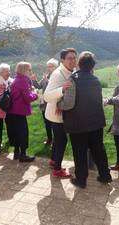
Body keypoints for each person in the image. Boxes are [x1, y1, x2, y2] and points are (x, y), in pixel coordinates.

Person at [62, 51, 112, 188]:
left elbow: (68, 104)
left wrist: (59, 103)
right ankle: (105, 175)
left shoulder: (73, 79)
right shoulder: (96, 80)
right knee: (98, 150)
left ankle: (81, 180)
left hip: (78, 123)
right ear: (92, 66)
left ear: (79, 64)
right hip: (96, 122)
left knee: (79, 152)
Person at [44, 48, 77, 178]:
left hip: (63, 112)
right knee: (61, 141)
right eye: (69, 58)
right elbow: (46, 96)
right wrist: (62, 89)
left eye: (74, 58)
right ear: (62, 60)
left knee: (58, 140)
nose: (73, 60)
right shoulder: (58, 74)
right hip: (56, 114)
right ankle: (57, 169)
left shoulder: (71, 71)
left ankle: (53, 160)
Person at [5, 62, 38, 162]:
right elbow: (27, 98)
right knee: (23, 133)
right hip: (19, 111)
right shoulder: (22, 81)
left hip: (12, 111)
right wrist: (35, 94)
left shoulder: (16, 79)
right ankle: (23, 155)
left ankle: (16, 153)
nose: (30, 71)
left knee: (16, 132)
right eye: (29, 69)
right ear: (24, 70)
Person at [31, 59, 59, 147]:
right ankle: (49, 139)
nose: (49, 68)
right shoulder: (46, 76)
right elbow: (39, 86)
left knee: (54, 123)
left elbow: (56, 89)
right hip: (44, 104)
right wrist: (34, 80)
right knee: (47, 122)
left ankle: (56, 141)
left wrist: (47, 81)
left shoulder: (58, 77)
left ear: (56, 67)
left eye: (51, 66)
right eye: (48, 66)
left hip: (53, 104)